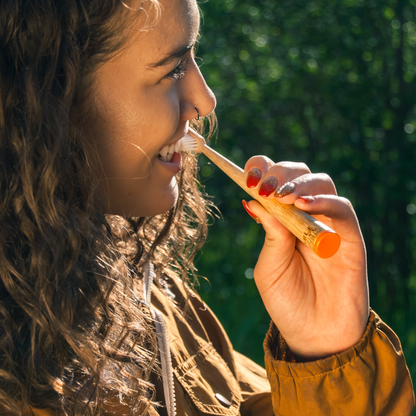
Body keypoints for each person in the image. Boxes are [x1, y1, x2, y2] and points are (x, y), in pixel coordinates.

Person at [0, 0, 414, 415]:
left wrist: (326, 351)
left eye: (195, 58)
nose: (206, 100)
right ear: (47, 99)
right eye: (173, 69)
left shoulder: (149, 296)